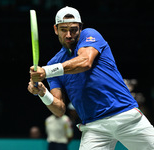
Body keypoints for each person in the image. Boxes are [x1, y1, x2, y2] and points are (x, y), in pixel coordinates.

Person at [28, 6, 154, 150]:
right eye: (63, 29)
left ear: (81, 28)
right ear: (56, 29)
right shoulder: (53, 63)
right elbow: (60, 110)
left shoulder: (90, 35)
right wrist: (42, 93)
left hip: (125, 116)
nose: (68, 35)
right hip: (94, 127)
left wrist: (47, 71)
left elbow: (85, 62)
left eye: (73, 29)